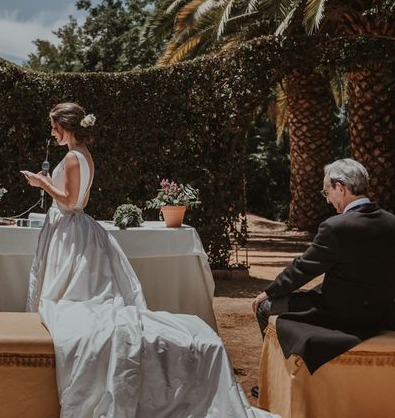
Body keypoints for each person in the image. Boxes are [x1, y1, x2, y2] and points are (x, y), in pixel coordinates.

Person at [24, 103, 274, 418]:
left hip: (71, 229)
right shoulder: (83, 153)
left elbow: (72, 201)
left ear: (64, 125)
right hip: (75, 229)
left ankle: (63, 354)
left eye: (53, 127)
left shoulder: (74, 156)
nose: (51, 132)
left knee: (69, 296)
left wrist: (41, 182)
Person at [252, 158, 395, 373]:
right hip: (381, 313)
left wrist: (269, 292)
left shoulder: (335, 227)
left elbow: (303, 269)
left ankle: (276, 376)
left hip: (339, 314)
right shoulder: (391, 222)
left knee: (265, 308)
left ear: (340, 187)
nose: (327, 200)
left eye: (326, 192)